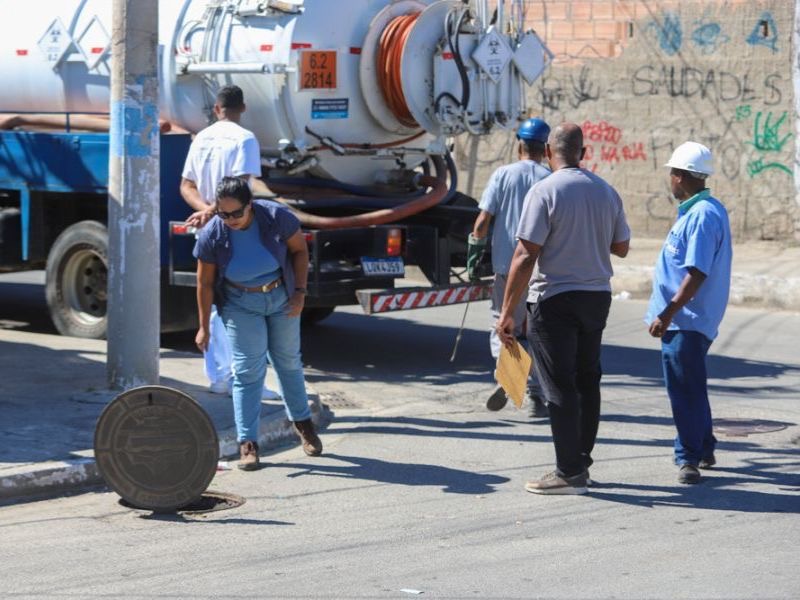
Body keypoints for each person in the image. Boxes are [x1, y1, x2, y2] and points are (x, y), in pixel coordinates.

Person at [497, 122, 631, 495]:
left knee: (559, 387)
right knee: (588, 381)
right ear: (583, 153)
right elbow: (621, 247)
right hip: (596, 298)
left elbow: (525, 254)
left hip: (555, 299)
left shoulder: (544, 191)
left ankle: (568, 472)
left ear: (549, 153)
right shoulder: (606, 191)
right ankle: (580, 462)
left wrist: (508, 312)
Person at [194, 177, 322, 470]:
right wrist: (203, 326)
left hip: (281, 297)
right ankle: (248, 444)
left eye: (236, 213)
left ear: (249, 205)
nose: (230, 220)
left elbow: (300, 251)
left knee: (288, 362)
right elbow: (204, 283)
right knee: (247, 371)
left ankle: (304, 426)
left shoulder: (275, 217)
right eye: (223, 214)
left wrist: (301, 293)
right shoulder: (212, 234)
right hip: (240, 304)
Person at [180, 84, 278, 400]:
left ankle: (219, 377)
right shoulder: (244, 139)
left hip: (207, 228)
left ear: (217, 109)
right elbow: (239, 190)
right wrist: (217, 212)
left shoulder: (201, 138)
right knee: (244, 303)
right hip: (235, 228)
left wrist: (204, 212)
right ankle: (247, 381)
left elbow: (186, 186)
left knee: (212, 300)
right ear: (243, 108)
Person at [645, 141, 732, 485]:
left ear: (680, 177)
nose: (670, 179)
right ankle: (705, 445)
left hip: (687, 321)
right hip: (688, 319)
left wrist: (667, 313)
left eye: (672, 173)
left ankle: (689, 458)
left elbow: (696, 273)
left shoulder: (702, 215)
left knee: (683, 390)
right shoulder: (702, 210)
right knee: (693, 386)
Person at [468, 117, 551, 418]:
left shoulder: (503, 174)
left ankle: (507, 375)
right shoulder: (550, 178)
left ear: (520, 146)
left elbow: (482, 222)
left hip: (507, 266)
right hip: (541, 268)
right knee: (535, 331)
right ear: (546, 149)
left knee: (502, 325)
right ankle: (537, 397)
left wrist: (475, 250)